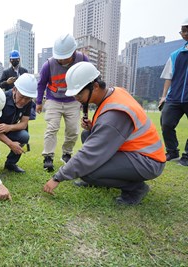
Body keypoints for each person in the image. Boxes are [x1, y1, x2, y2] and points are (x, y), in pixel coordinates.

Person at [43, 62, 166, 205]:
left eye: (79, 93)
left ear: (95, 86)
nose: (76, 98)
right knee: (87, 135)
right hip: (136, 152)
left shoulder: (115, 114)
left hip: (148, 161)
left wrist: (58, 177)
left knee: (88, 171)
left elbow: (90, 154)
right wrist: (94, 127)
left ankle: (136, 188)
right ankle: (104, 179)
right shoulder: (115, 92)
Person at [36, 34, 89, 172]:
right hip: (54, 99)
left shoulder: (83, 59)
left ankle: (67, 153)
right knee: (52, 128)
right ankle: (48, 156)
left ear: (73, 52)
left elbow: (89, 80)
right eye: (59, 56)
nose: (62, 59)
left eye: (65, 56)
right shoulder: (48, 64)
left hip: (73, 100)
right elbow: (41, 84)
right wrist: (38, 102)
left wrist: (85, 103)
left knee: (73, 129)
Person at [0, 73, 38, 174]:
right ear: (14, 89)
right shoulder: (2, 98)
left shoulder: (28, 102)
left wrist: (9, 127)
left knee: (24, 136)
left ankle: (10, 164)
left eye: (28, 98)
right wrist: (11, 144)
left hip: (7, 129)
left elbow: (24, 124)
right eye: (22, 96)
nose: (24, 101)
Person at [158, 17, 188, 166]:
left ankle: (187, 157)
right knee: (166, 123)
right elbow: (168, 78)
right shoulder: (176, 55)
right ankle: (172, 151)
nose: (186, 32)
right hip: (174, 98)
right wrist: (164, 97)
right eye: (184, 30)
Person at [0, 50, 36, 121]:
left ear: (19, 59)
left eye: (16, 59)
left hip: (23, 98)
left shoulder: (24, 71)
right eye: (13, 60)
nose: (14, 61)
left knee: (24, 119)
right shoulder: (6, 72)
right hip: (10, 100)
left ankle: (24, 131)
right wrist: (7, 82)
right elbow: (0, 85)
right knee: (11, 119)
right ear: (10, 60)